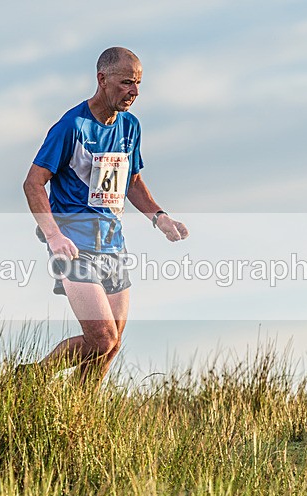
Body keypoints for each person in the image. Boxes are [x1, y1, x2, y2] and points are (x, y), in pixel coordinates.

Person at [22, 46, 189, 387]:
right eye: (127, 82)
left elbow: (132, 181)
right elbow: (33, 183)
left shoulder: (130, 127)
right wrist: (53, 235)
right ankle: (30, 379)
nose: (134, 91)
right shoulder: (72, 126)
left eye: (138, 83)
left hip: (113, 244)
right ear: (102, 79)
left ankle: (81, 408)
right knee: (101, 337)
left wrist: (159, 217)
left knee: (111, 346)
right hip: (74, 244)